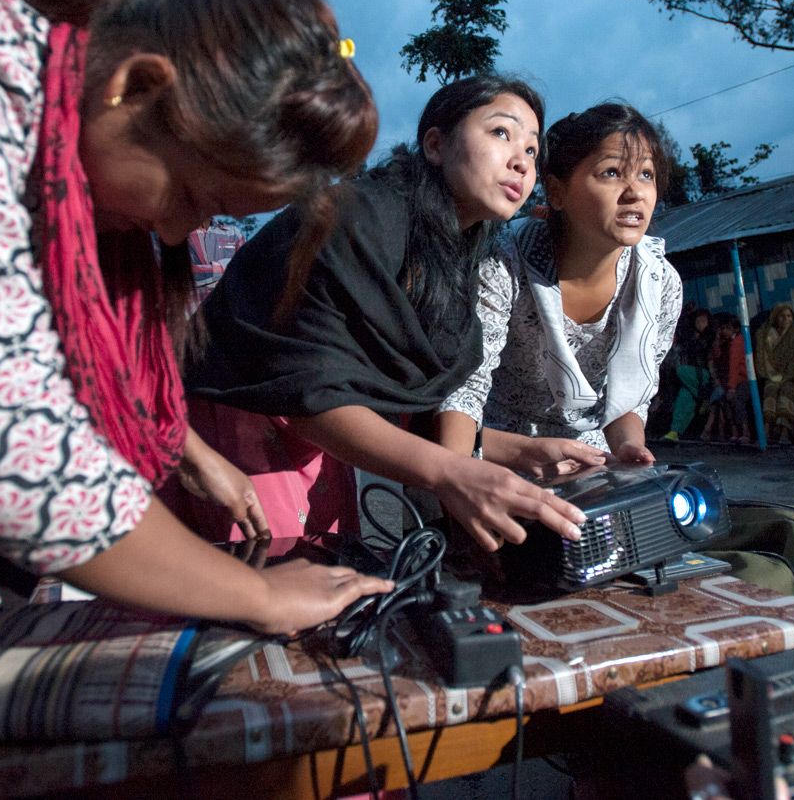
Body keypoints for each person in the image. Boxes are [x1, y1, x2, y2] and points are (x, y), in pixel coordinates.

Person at [0, 0, 393, 790]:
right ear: (138, 86)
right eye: (193, 198)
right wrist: (259, 596)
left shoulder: (44, 125)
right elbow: (19, 465)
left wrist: (190, 457)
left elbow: (13, 378)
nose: (180, 236)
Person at [188, 75, 593, 552]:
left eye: (532, 150)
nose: (521, 161)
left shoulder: (458, 259)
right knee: (256, 596)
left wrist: (522, 450)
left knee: (331, 591)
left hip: (323, 446)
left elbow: (406, 408)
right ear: (436, 144)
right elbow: (299, 387)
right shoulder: (360, 216)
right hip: (238, 437)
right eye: (501, 133)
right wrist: (449, 472)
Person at [438, 102, 682, 488]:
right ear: (557, 192)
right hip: (483, 451)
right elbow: (464, 390)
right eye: (613, 172)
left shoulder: (659, 283)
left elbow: (626, 400)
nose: (635, 192)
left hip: (586, 461)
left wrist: (628, 448)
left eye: (647, 174)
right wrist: (456, 481)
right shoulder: (504, 260)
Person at [754, 303, 794, 444]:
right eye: (782, 316)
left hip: (790, 376)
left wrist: (785, 377)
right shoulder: (764, 334)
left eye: (789, 316)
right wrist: (770, 375)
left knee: (786, 392)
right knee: (770, 391)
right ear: (775, 317)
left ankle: (785, 431)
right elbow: (761, 357)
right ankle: (766, 429)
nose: (786, 319)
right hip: (771, 375)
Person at [663, 308, 713, 442]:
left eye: (704, 321)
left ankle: (703, 398)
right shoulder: (690, 339)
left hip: (706, 375)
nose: (701, 324)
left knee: (680, 370)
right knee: (684, 397)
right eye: (698, 321)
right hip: (694, 377)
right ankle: (675, 431)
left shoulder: (711, 337)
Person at [702, 312, 751, 444]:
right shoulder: (725, 342)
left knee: (736, 399)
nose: (723, 331)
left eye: (726, 328)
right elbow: (716, 357)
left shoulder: (737, 342)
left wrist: (731, 388)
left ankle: (745, 430)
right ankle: (734, 431)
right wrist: (717, 340)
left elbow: (734, 366)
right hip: (730, 381)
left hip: (743, 380)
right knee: (724, 400)